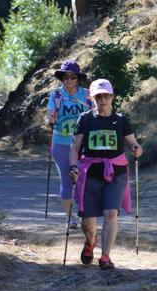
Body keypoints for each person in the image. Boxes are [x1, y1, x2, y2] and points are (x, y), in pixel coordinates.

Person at [69, 78, 142, 270]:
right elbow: (75, 147)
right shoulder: (85, 119)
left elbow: (131, 142)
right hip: (90, 174)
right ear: (92, 98)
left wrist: (136, 148)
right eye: (98, 96)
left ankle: (105, 257)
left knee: (110, 213)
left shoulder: (121, 120)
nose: (103, 99)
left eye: (106, 95)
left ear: (112, 97)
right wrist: (72, 167)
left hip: (116, 174)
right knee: (88, 222)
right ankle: (90, 241)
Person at [46, 60, 92, 229]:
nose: (69, 80)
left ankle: (84, 213)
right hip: (61, 143)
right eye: (66, 77)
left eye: (73, 77)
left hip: (83, 144)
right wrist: (49, 119)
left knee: (83, 178)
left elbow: (95, 114)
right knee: (66, 180)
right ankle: (70, 218)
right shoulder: (56, 95)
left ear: (78, 78)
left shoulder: (87, 95)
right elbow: (49, 116)